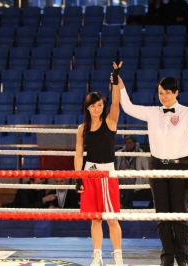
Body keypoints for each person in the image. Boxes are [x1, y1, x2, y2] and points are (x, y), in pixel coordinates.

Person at [115, 67, 188, 266]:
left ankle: (183, 260)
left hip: (181, 168)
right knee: (162, 216)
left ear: (176, 93)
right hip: (157, 168)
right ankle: (167, 258)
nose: (163, 97)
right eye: (160, 93)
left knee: (180, 216)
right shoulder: (152, 113)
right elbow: (128, 107)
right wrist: (121, 87)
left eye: (167, 93)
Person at [74, 62, 124, 266]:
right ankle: (97, 256)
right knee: (95, 219)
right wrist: (78, 179)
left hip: (108, 174)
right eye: (93, 105)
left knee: (112, 219)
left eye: (99, 105)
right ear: (88, 107)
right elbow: (78, 155)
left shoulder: (110, 121)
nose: (97, 108)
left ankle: (118, 256)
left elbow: (116, 103)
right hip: (89, 173)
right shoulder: (82, 128)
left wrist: (114, 79)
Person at [116, 135, 150, 209]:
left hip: (135, 180)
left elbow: (147, 168)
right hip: (123, 179)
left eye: (130, 143)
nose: (128, 145)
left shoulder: (141, 154)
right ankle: (123, 205)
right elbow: (118, 167)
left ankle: (125, 205)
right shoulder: (120, 153)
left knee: (129, 188)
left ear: (134, 143)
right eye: (126, 143)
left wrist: (146, 180)